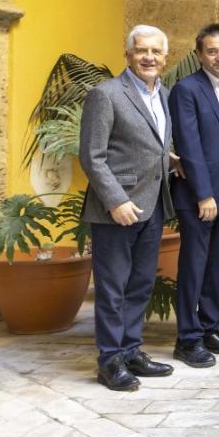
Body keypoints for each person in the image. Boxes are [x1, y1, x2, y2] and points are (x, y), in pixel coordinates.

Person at [79, 25, 177, 391]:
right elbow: (93, 156)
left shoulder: (162, 94)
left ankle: (131, 350)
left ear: (165, 58)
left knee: (139, 285)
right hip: (116, 210)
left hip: (152, 206)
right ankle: (109, 361)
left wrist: (172, 161)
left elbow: (148, 146)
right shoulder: (105, 94)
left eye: (155, 51)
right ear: (128, 55)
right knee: (112, 287)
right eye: (141, 51)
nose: (149, 57)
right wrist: (116, 200)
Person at [169, 23, 219, 368]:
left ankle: (210, 327)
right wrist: (203, 194)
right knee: (194, 265)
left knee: (218, 265)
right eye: (212, 51)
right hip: (200, 194)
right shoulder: (186, 90)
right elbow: (188, 144)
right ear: (200, 54)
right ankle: (187, 338)